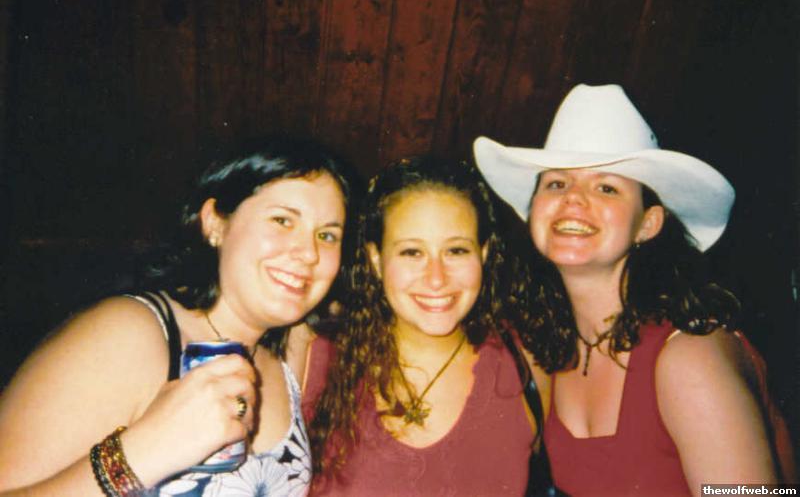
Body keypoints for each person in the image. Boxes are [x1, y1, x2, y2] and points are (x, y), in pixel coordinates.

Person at [474, 83, 797, 496]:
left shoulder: (689, 359)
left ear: (648, 224)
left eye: (606, 187)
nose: (573, 199)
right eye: (556, 183)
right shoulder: (545, 347)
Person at [0, 138, 356, 496]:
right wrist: (139, 456)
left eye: (327, 235)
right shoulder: (128, 333)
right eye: (282, 220)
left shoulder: (288, 354)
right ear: (214, 223)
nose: (310, 253)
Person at [301, 156, 550, 496]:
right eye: (412, 253)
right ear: (376, 259)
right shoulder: (312, 359)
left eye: (456, 251)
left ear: (484, 253)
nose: (436, 279)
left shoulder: (527, 363)